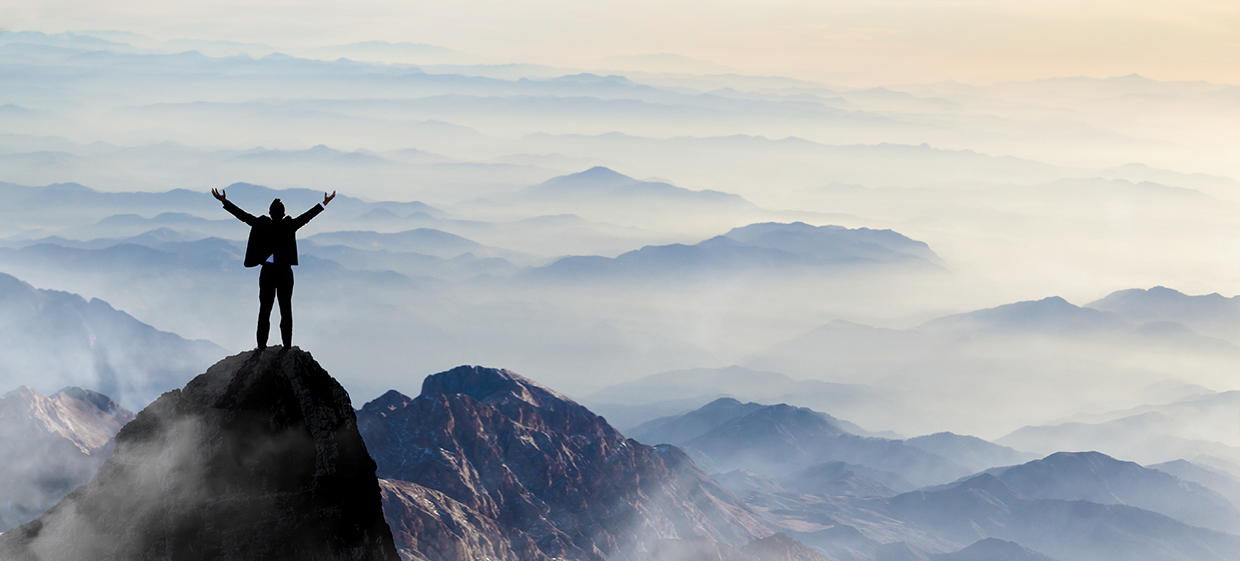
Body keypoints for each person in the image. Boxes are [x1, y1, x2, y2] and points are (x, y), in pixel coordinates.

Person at [212, 188, 336, 349]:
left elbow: (243, 216)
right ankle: (287, 346)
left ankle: (261, 347)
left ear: (270, 213)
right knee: (286, 309)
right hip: (285, 272)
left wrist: (224, 201)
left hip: (268, 272)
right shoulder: (289, 225)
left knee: (265, 310)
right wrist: (324, 203)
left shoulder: (262, 225)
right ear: (283, 214)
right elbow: (307, 217)